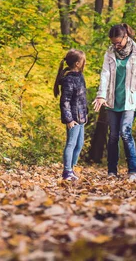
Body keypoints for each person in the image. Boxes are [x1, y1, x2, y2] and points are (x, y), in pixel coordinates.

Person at [92, 23, 136, 181]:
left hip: (130, 101)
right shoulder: (109, 53)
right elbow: (104, 74)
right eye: (113, 43)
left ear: (126, 37)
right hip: (112, 100)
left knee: (125, 133)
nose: (116, 46)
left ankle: (133, 171)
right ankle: (112, 171)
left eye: (118, 42)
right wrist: (101, 95)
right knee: (113, 136)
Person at [54, 49, 88, 181]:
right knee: (71, 144)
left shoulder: (80, 76)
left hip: (81, 117)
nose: (85, 63)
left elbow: (82, 98)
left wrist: (85, 114)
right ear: (78, 63)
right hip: (73, 118)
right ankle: (67, 171)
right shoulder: (69, 80)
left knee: (79, 145)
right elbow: (65, 101)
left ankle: (72, 169)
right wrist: (68, 119)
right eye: (84, 61)